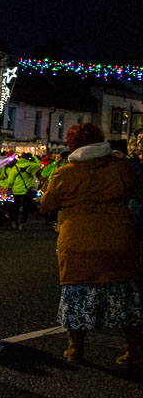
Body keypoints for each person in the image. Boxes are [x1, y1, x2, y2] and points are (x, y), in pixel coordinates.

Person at [39, 123, 141, 367]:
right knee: (124, 297)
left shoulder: (65, 173)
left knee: (78, 295)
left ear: (72, 145)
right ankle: (136, 351)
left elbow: (47, 205)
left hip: (78, 244)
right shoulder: (121, 169)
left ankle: (75, 349)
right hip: (119, 240)